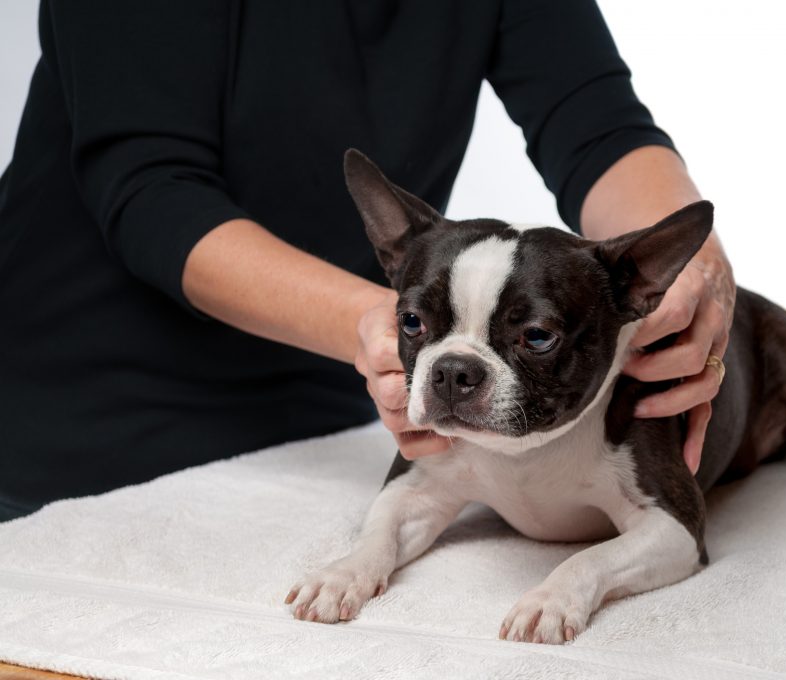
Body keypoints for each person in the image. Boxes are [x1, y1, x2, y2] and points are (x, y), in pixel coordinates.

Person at [0, 0, 735, 521]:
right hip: (74, 428)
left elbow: (599, 127)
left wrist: (688, 269)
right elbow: (151, 192)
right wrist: (378, 324)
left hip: (333, 430)